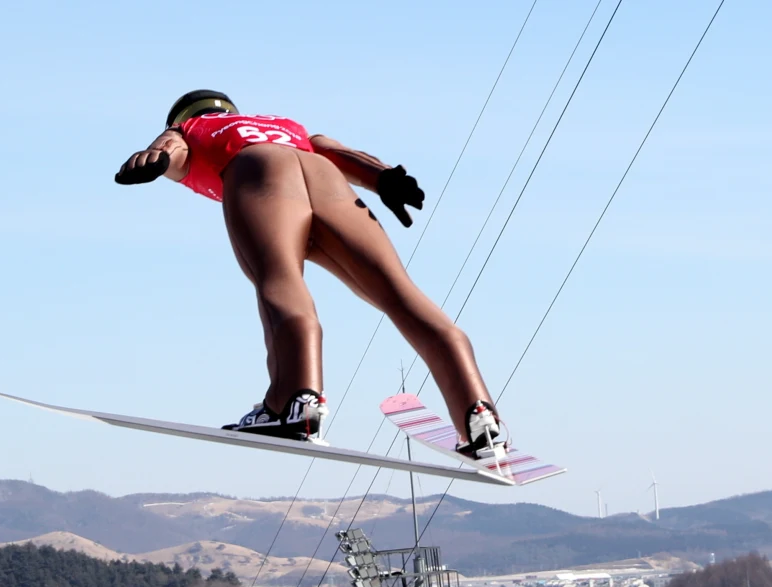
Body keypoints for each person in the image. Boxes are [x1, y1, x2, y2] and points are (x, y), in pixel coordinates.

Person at [115, 90, 506, 458]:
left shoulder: (191, 127)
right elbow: (332, 149)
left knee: (279, 277)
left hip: (260, 173)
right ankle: (479, 415)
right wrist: (384, 178)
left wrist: (155, 156)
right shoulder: (284, 125)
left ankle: (295, 401)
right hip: (326, 179)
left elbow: (172, 147)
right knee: (399, 294)